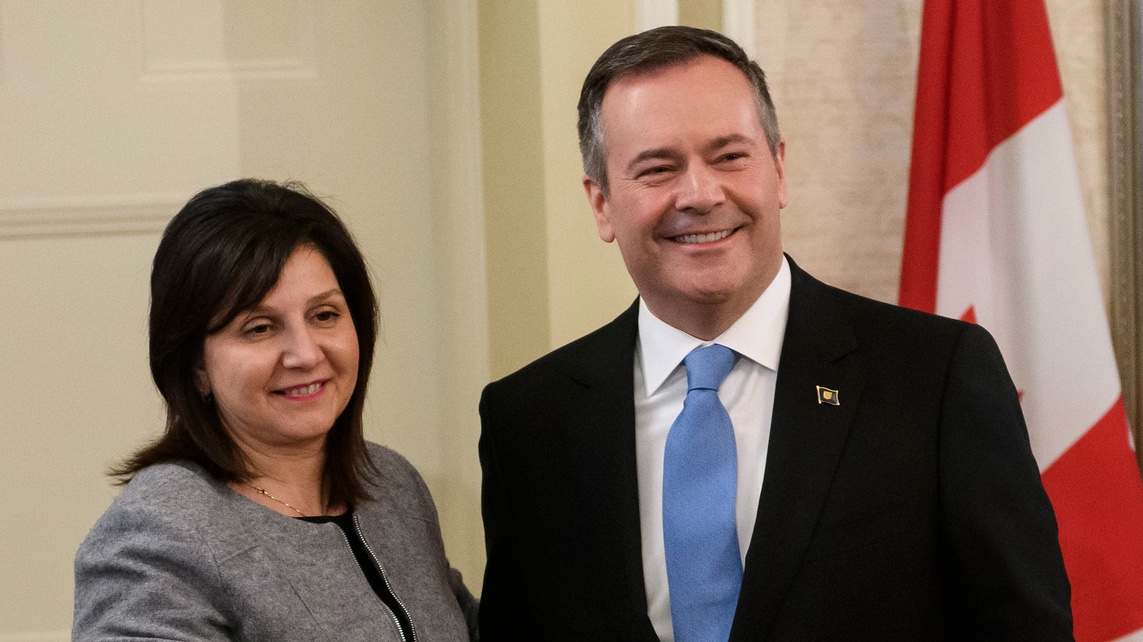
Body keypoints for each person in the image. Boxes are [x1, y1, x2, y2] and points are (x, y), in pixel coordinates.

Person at [477, 26, 1073, 640]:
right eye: (657, 169)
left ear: (779, 170)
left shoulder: (933, 378)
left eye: (730, 156)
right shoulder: (527, 422)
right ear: (601, 203)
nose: (701, 194)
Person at [74, 179, 478, 641]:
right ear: (195, 366)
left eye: (324, 315)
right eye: (259, 328)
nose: (304, 354)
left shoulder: (391, 485)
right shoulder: (158, 532)